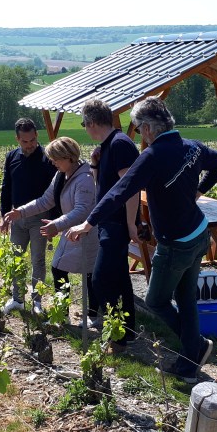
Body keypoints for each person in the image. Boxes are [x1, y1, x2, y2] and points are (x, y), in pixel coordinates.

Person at [67, 97, 217, 383]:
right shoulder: (192, 146)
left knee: (156, 301)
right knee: (186, 299)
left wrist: (88, 222)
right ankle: (189, 363)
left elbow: (120, 191)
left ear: (148, 128)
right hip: (199, 234)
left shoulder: (153, 156)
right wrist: (199, 190)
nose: (140, 135)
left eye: (139, 129)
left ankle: (195, 346)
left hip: (175, 243)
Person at [2, 136, 99, 324]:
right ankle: (63, 314)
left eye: (55, 159)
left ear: (68, 157)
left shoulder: (85, 178)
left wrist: (57, 224)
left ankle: (93, 316)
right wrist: (20, 212)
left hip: (86, 234)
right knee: (59, 268)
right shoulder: (62, 174)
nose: (52, 163)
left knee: (88, 273)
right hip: (71, 231)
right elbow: (45, 200)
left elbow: (82, 210)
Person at [79, 99, 140, 336]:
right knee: (121, 279)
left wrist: (130, 224)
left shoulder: (120, 145)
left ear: (92, 122)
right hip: (109, 222)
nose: (85, 128)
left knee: (102, 281)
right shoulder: (107, 146)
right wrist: (95, 165)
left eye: (85, 123)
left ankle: (117, 334)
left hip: (116, 223)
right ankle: (128, 332)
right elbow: (102, 187)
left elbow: (130, 188)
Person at [0, 118, 57, 315]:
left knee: (38, 260)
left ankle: (37, 302)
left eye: (32, 140)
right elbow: (6, 186)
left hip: (40, 217)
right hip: (16, 217)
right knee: (16, 258)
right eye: (25, 141)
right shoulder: (11, 157)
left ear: (36, 135)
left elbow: (56, 191)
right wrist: (4, 215)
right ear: (17, 139)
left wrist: (55, 221)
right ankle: (17, 299)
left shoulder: (47, 159)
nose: (30, 144)